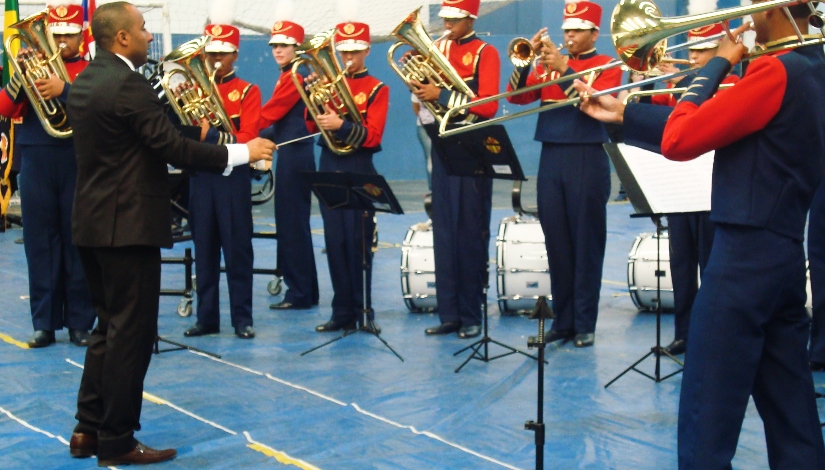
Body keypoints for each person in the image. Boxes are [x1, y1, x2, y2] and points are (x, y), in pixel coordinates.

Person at [578, 6, 825, 467]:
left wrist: (718, 62)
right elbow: (718, 124)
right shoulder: (814, 68)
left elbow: (680, 139)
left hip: (740, 263)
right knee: (794, 419)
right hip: (783, 256)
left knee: (705, 420)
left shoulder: (773, 69)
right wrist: (624, 115)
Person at [66, 2, 273, 465]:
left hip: (92, 223)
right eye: (141, 29)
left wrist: (176, 119)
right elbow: (172, 149)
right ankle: (116, 440)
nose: (147, 36)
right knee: (131, 336)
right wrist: (242, 151)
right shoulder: (129, 84)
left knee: (107, 326)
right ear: (121, 38)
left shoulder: (84, 81)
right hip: (129, 227)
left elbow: (133, 136)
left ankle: (87, 428)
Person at [506, 0, 622, 347]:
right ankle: (563, 320)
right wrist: (525, 62)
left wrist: (563, 67)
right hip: (552, 155)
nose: (569, 36)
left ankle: (584, 323)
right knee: (556, 242)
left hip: (587, 155)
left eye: (576, 31)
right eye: (566, 30)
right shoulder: (547, 65)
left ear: (594, 33)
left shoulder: (606, 65)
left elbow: (596, 107)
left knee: (586, 242)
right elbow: (516, 96)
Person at [0, 4, 95, 348]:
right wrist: (18, 77)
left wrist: (64, 89)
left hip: (77, 158)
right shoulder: (31, 68)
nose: (61, 42)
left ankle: (80, 323)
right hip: (37, 157)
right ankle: (44, 323)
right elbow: (4, 109)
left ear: (80, 36)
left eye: (68, 34)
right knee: (40, 244)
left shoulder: (89, 69)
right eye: (55, 35)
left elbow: (98, 109)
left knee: (77, 241)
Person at [414, 0, 500, 339]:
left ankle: (471, 314)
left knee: (469, 234)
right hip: (444, 147)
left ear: (470, 18)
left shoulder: (484, 52)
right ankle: (449, 312)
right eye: (445, 18)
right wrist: (421, 91)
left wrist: (442, 94)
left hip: (472, 152)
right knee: (444, 233)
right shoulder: (436, 49)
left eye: (454, 19)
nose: (447, 24)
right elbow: (428, 100)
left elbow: (488, 105)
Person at [654, 23, 739, 356]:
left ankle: (713, 336)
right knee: (681, 264)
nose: (692, 56)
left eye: (702, 50)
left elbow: (710, 112)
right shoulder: (682, 85)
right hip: (680, 184)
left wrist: (683, 83)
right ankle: (684, 333)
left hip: (711, 188)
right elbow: (649, 110)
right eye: (690, 49)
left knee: (711, 265)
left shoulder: (731, 81)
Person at [183, 23, 260, 340]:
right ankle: (207, 317)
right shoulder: (193, 93)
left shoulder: (247, 91)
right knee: (204, 249)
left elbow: (249, 137)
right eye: (210, 53)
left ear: (235, 55)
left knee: (238, 250)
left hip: (233, 180)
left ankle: (242, 318)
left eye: (222, 54)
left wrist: (212, 135)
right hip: (201, 178)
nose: (215, 59)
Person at [312, 20, 389, 333]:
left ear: (367, 50)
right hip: (329, 164)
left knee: (357, 242)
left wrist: (340, 125)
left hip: (359, 167)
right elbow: (309, 124)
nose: (348, 58)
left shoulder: (376, 88)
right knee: (334, 241)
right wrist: (314, 97)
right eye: (343, 51)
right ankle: (341, 310)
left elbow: (372, 136)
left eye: (355, 51)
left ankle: (363, 309)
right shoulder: (328, 84)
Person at [260, 19, 320, 311]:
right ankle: (307, 291)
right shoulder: (291, 73)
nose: (277, 50)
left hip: (295, 154)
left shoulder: (296, 73)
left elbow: (270, 114)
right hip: (293, 151)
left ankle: (299, 293)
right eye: (274, 45)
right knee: (296, 224)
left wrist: (237, 135)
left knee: (291, 225)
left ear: (297, 46)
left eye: (283, 45)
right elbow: (279, 123)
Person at [411, 93, 434, 192]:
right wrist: (424, 118)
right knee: (430, 158)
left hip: (441, 125)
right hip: (424, 126)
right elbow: (416, 109)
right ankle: (432, 188)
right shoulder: (416, 91)